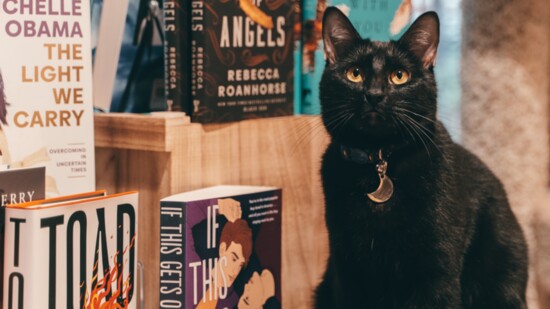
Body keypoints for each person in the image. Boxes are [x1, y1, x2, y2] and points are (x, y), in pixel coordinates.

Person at [193, 198, 253, 309]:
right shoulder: (192, 268)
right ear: (222, 249)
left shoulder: (234, 301)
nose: (235, 271)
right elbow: (184, 215)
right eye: (234, 259)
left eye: (240, 265)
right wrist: (219, 205)